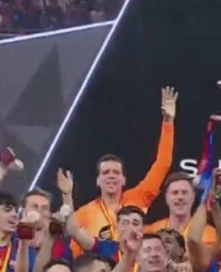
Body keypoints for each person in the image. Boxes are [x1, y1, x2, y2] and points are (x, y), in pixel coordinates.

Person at [72, 87, 177, 255]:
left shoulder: (138, 197)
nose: (111, 176)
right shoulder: (83, 214)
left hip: (136, 266)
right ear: (98, 181)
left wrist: (168, 121)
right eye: (106, 173)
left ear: (123, 180)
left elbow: (163, 164)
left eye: (116, 173)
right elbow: (76, 254)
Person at [145, 172, 218, 247]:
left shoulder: (208, 233)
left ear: (193, 196)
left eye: (184, 192)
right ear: (166, 197)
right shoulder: (152, 231)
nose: (180, 197)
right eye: (175, 193)